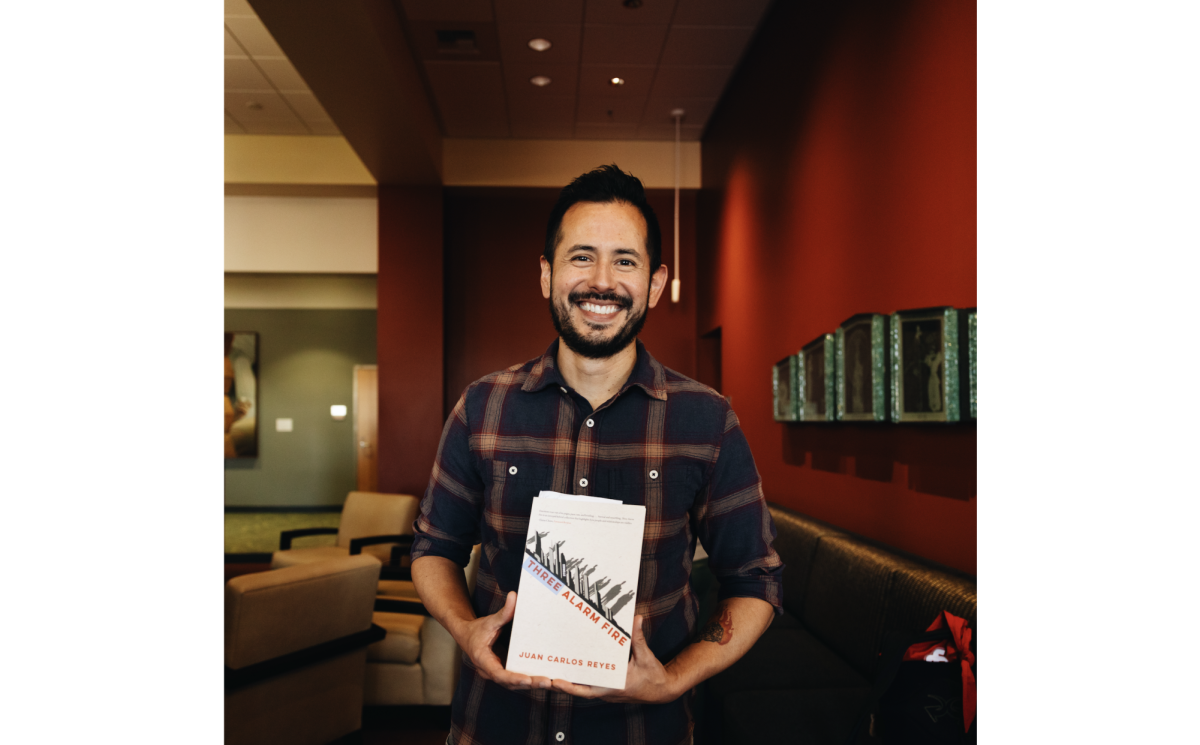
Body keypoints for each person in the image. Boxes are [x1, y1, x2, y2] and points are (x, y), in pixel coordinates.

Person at [410, 164, 784, 745]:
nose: (602, 281)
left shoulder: (707, 420)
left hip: (644, 731)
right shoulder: (481, 408)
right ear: (546, 274)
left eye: (625, 261)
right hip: (497, 727)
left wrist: (674, 679)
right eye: (581, 256)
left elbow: (755, 583)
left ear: (655, 284)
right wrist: (464, 630)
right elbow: (433, 548)